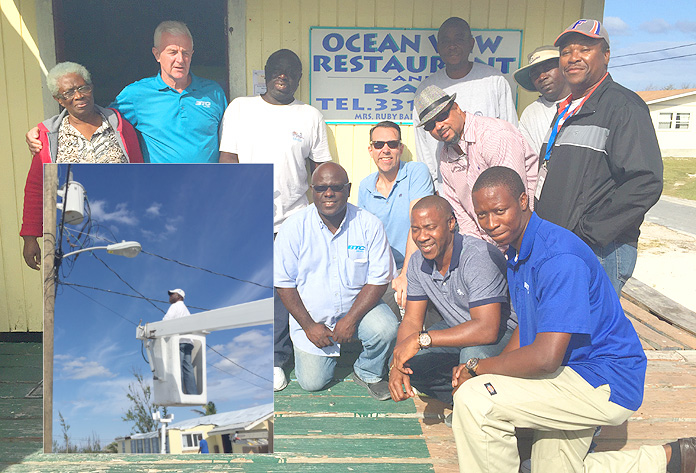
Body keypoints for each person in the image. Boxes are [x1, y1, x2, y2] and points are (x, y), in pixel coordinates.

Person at [446, 165, 696, 473]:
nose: (491, 223)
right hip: (570, 373)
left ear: (523, 201)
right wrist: (484, 374)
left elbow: (546, 357)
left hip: (604, 380)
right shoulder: (520, 249)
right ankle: (673, 459)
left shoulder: (557, 257)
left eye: (499, 210)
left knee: (476, 401)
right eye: (482, 215)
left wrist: (477, 369)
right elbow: (528, 327)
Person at [218, 49, 333, 392]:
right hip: (248, 217)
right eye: (277, 70)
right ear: (265, 74)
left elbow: (321, 171)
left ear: (300, 78)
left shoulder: (310, 116)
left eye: (291, 71)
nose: (283, 75)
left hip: (293, 220)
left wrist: (324, 219)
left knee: (284, 292)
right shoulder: (241, 108)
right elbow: (228, 159)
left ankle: (274, 359)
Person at [535, 19, 663, 295]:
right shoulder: (567, 109)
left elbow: (645, 182)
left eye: (584, 49)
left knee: (594, 334)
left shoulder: (623, 106)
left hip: (599, 251)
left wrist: (589, 231)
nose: (573, 58)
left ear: (606, 55)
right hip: (563, 245)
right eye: (566, 52)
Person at [274, 162, 398, 400]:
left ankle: (367, 371)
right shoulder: (293, 227)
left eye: (336, 187)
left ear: (348, 189)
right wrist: (309, 326)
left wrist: (350, 319)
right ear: (312, 191)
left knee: (386, 328)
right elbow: (283, 283)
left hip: (359, 311)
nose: (328, 193)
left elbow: (379, 279)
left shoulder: (369, 224)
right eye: (321, 188)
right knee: (312, 383)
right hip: (313, 318)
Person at [26, 21, 227, 163]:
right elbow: (96, 119)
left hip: (207, 188)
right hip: (161, 191)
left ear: (192, 54)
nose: (180, 59)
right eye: (172, 52)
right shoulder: (136, 94)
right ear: (157, 54)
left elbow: (231, 139)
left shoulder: (213, 92)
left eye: (185, 52)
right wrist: (45, 131)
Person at [388, 195, 514, 407]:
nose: (422, 236)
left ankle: (483, 403)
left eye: (430, 227)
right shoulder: (418, 262)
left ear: (451, 224)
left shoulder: (477, 257)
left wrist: (420, 340)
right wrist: (397, 365)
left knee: (472, 355)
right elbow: (411, 320)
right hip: (458, 328)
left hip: (504, 332)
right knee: (407, 362)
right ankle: (466, 397)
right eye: (415, 229)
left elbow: (487, 329)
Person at [20, 62, 143, 270]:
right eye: (68, 92)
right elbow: (35, 186)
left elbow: (139, 175)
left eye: (82, 87)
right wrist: (30, 237)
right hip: (69, 233)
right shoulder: (47, 137)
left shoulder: (120, 126)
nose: (78, 96)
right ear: (58, 100)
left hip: (121, 223)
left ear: (91, 87)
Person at [414, 84, 537, 247]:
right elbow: (463, 217)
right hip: (488, 246)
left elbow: (513, 202)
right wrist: (480, 251)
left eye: (442, 116)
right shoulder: (445, 157)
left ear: (457, 108)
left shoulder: (494, 136)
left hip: (525, 238)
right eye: (430, 125)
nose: (438, 126)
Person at [414, 17, 518, 188]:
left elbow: (511, 134)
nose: (452, 45)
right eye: (446, 41)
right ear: (438, 47)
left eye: (459, 39)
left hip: (492, 187)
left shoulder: (494, 80)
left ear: (471, 43)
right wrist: (432, 185)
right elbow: (423, 145)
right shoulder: (426, 89)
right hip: (446, 187)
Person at [357, 121, 434, 314]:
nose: (385, 150)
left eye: (392, 144)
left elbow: (419, 225)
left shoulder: (417, 172)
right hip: (382, 271)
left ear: (400, 148)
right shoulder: (365, 186)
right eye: (378, 145)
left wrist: (406, 273)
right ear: (370, 150)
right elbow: (364, 237)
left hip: (418, 265)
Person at [513, 45, 571, 155]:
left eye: (548, 68)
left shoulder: (585, 104)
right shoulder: (531, 113)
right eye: (535, 74)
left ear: (564, 68)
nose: (542, 77)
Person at [162, 288, 197, 395]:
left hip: (179, 341)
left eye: (173, 294)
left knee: (177, 367)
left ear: (180, 297)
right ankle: (192, 393)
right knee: (188, 369)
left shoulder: (175, 306)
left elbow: (165, 322)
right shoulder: (186, 310)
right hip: (189, 342)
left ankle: (178, 393)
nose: (170, 296)